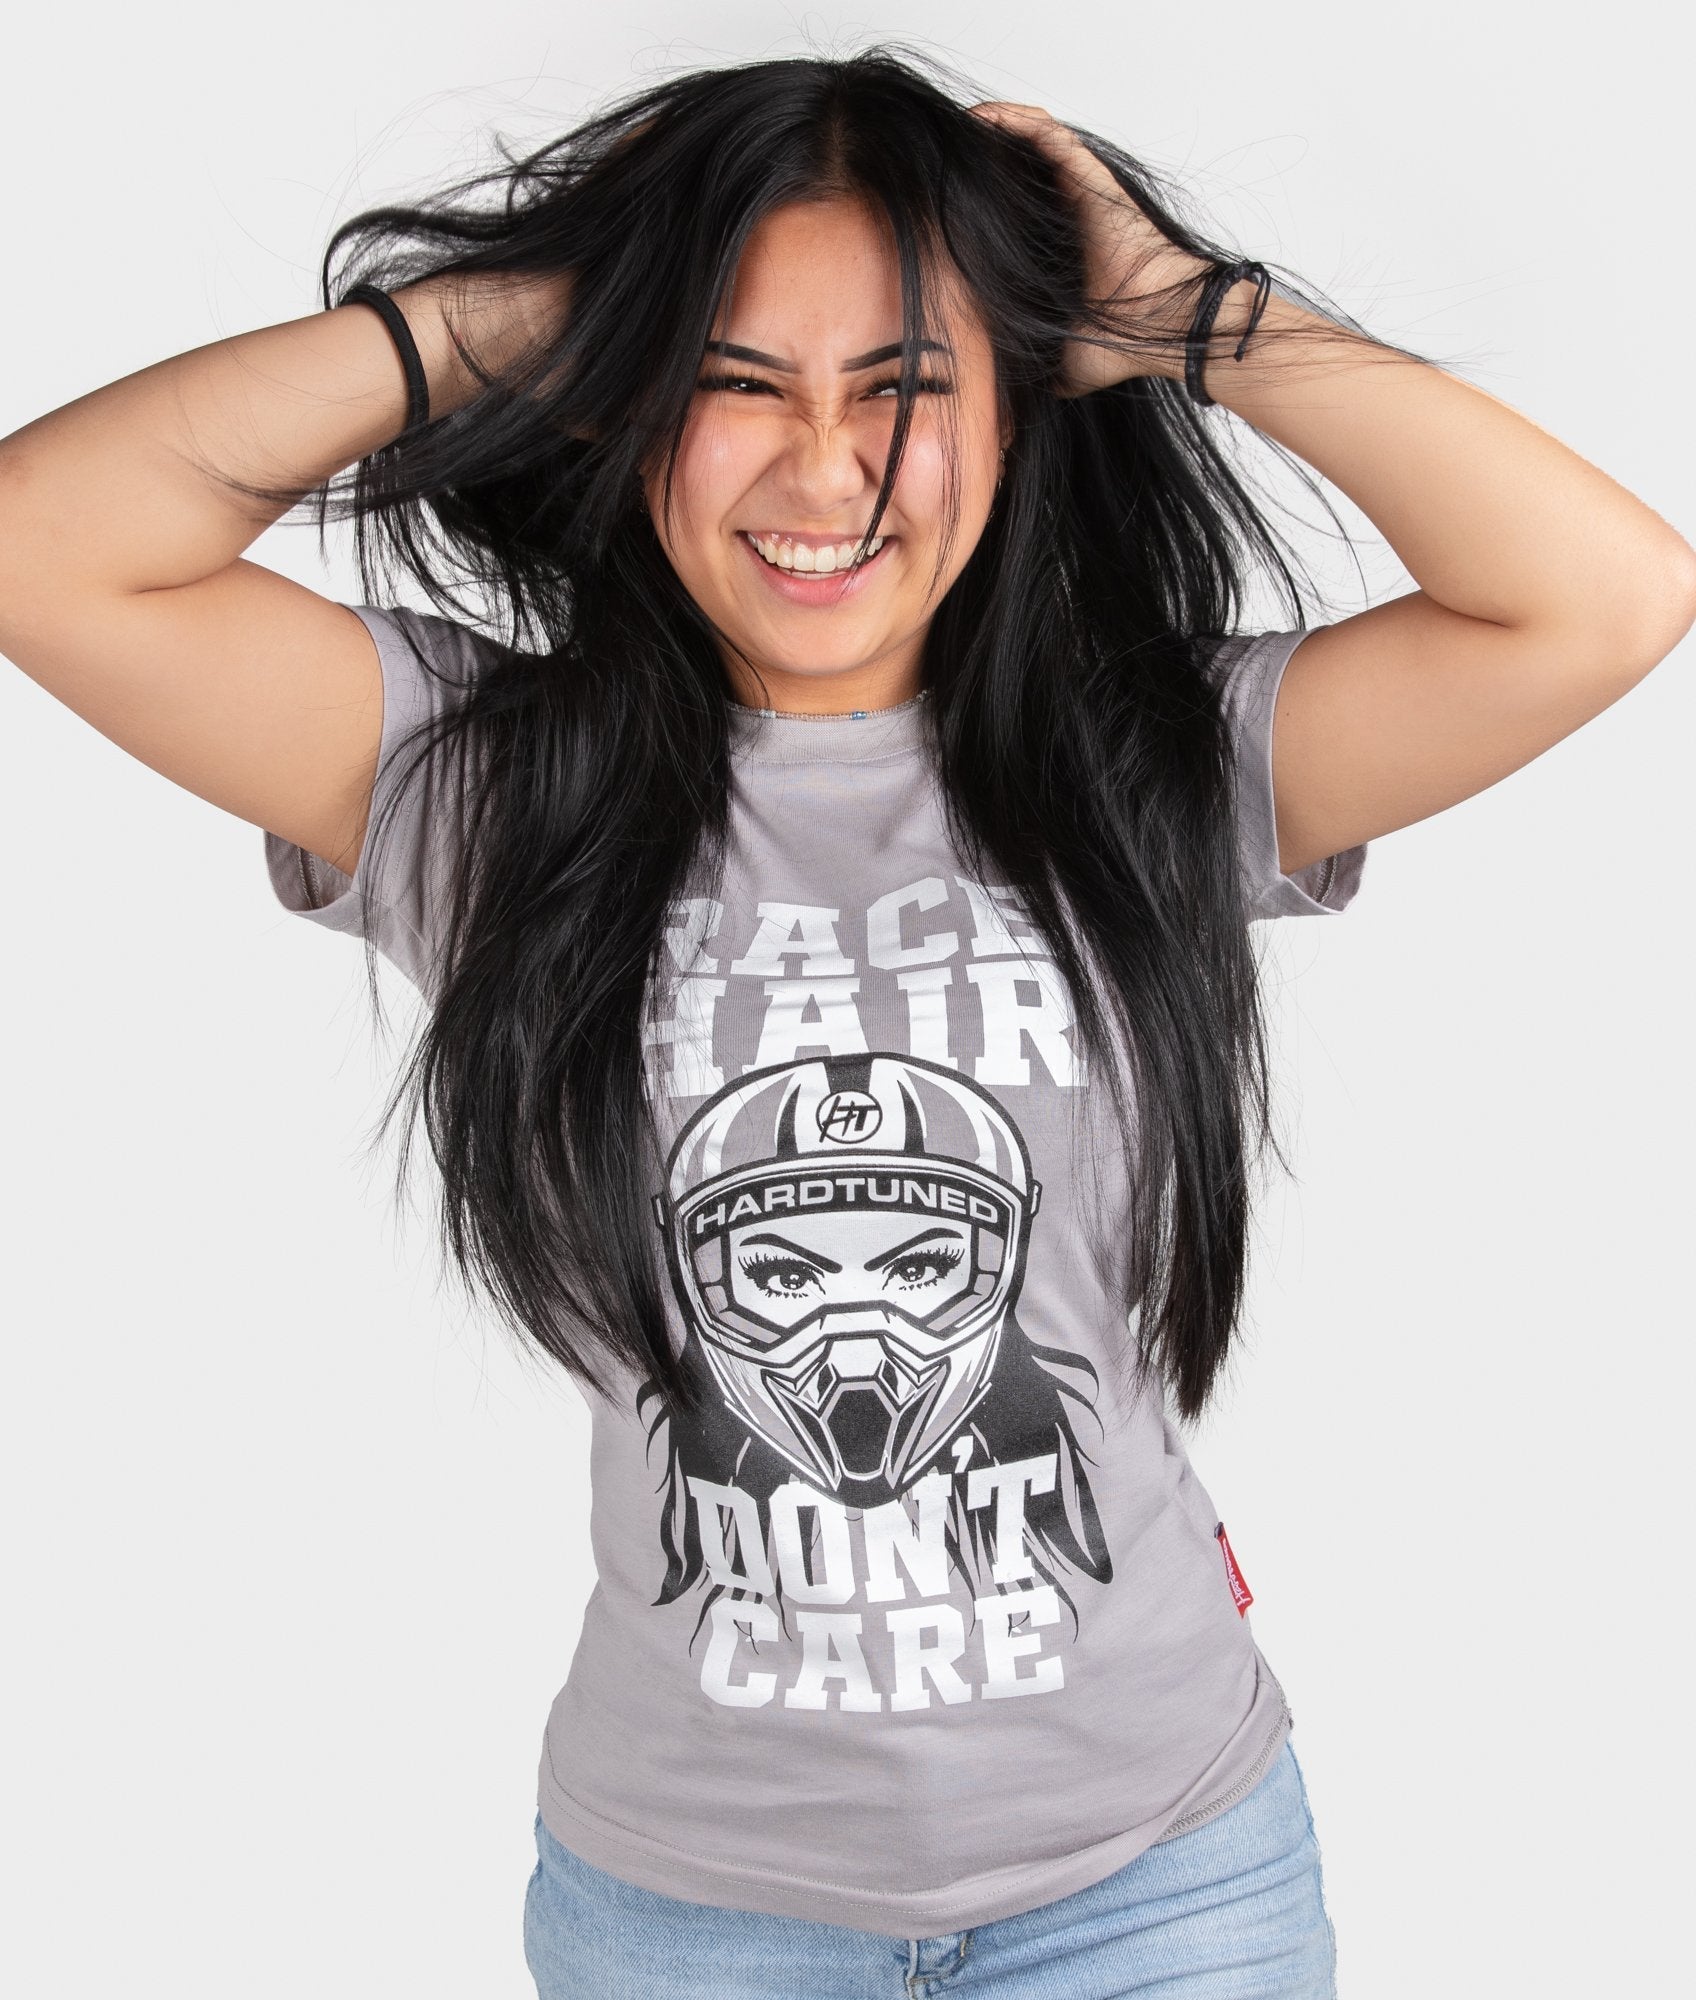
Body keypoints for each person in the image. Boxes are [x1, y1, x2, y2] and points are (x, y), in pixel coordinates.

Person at [2, 45, 1689, 2000]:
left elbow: (1604, 599)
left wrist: (1183, 313)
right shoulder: (489, 790)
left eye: (902, 388)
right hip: (692, 1912)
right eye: (734, 384)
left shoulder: (1151, 768)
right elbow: (46, 543)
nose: (824, 473)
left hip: (1157, 1887)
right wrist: (524, 315)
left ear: (1013, 411)